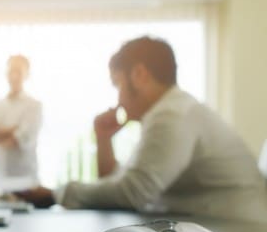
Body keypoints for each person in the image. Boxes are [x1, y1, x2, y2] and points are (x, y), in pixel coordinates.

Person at [16, 36, 267, 222]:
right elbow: (121, 183)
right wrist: (104, 140)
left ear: (139, 74)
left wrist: (55, 194)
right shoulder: (168, 112)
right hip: (221, 230)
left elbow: (132, 193)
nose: (119, 100)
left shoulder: (172, 116)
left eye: (118, 85)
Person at [0, 55, 42, 194]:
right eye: (11, 71)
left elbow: (18, 140)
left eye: (19, 71)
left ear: (27, 75)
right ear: (6, 73)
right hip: (0, 184)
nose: (15, 76)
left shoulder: (34, 106)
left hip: (28, 185)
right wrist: (12, 130)